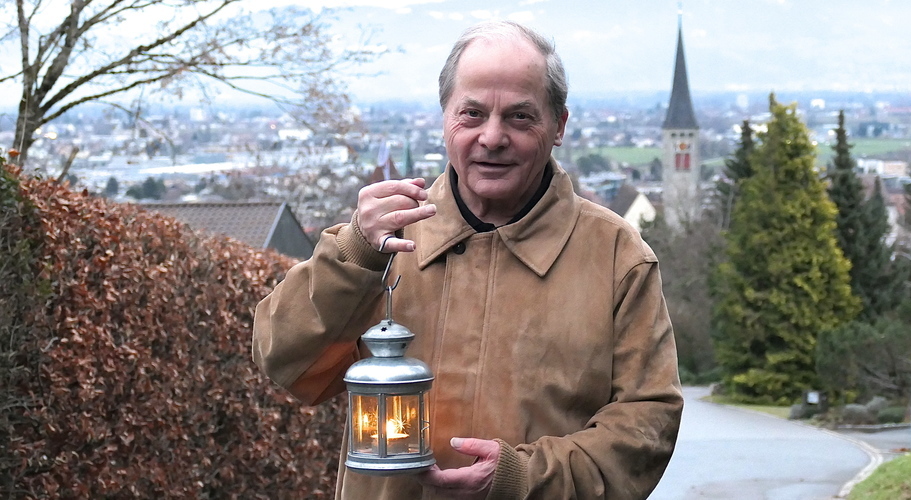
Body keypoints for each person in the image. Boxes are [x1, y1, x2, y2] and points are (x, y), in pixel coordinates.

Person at [253, 20, 683, 500]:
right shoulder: (379, 241)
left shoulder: (616, 258)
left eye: (520, 117)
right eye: (472, 114)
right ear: (443, 118)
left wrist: (521, 479)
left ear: (559, 125)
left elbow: (647, 426)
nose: (492, 137)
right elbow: (284, 362)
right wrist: (352, 255)